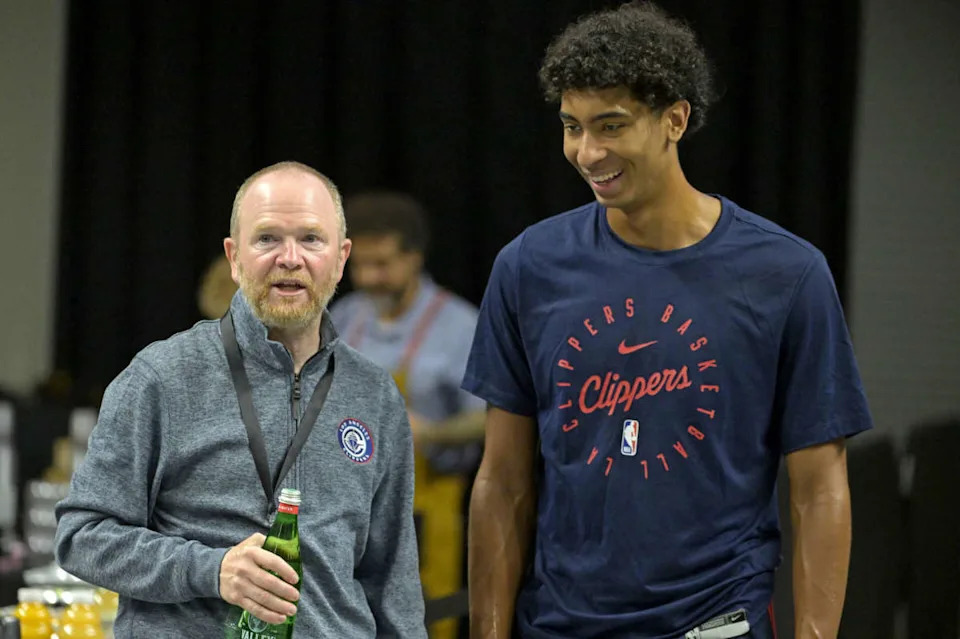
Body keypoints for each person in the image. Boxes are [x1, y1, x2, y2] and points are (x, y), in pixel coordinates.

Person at [462, 4, 872, 639]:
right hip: (559, 623)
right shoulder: (528, 267)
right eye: (572, 126)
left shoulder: (786, 275)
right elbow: (503, 479)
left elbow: (819, 489)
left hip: (715, 621)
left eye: (611, 125)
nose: (586, 151)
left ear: (674, 119)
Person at [54, 161, 427, 638]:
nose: (290, 258)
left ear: (341, 258)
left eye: (312, 239)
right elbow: (82, 536)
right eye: (267, 238)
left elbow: (392, 582)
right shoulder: (161, 377)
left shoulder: (374, 395)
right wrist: (211, 570)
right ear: (233, 257)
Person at [329, 191, 485, 639]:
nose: (369, 278)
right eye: (360, 265)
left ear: (414, 257)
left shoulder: (460, 326)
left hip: (426, 510)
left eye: (383, 265)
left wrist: (431, 433)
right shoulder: (346, 314)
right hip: (347, 508)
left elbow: (493, 419)